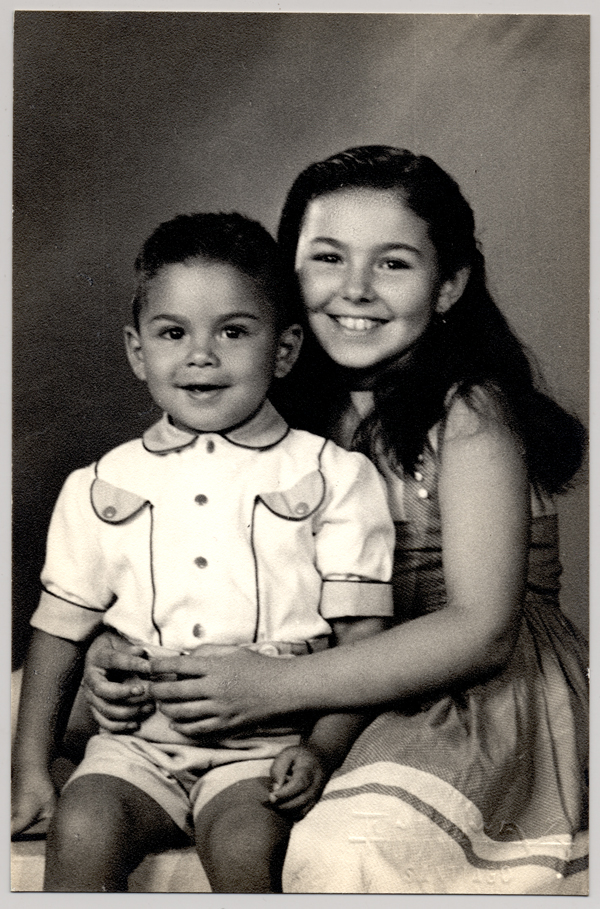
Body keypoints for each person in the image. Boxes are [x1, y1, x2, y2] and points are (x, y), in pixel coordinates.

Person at [83, 146, 588, 894]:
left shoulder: (470, 413)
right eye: (327, 258)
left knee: (343, 847)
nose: (354, 289)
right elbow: (184, 561)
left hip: (466, 696)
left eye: (393, 264)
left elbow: (481, 630)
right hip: (315, 673)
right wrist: (117, 653)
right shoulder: (271, 414)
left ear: (449, 285)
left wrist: (276, 686)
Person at [11, 211, 397, 892]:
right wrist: (31, 770)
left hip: (266, 749)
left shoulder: (333, 475)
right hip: (134, 747)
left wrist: (321, 748)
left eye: (233, 332)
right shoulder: (100, 484)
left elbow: (361, 641)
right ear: (137, 351)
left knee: (248, 844)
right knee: (82, 824)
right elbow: (58, 635)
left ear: (284, 349)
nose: (201, 355)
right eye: (173, 333)